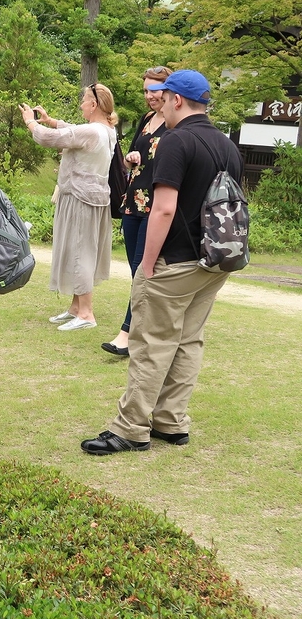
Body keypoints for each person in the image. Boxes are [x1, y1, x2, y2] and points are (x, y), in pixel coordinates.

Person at [81, 69, 243, 455]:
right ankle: (171, 422)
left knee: (152, 342)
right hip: (215, 260)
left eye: (163, 96)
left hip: (175, 260)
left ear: (177, 100)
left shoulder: (175, 142)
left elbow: (164, 209)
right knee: (188, 341)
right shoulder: (228, 146)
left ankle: (131, 428)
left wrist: (147, 265)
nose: (159, 103)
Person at [20, 83, 116, 331]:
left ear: (93, 105)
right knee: (82, 251)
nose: (81, 105)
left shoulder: (92, 131)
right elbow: (73, 131)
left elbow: (50, 139)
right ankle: (76, 307)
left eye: (84, 100)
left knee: (81, 253)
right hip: (94, 197)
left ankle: (86, 313)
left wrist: (32, 122)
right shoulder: (106, 130)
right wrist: (51, 120)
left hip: (80, 198)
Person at [102, 66, 172, 357]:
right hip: (133, 202)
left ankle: (127, 334)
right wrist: (132, 160)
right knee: (136, 272)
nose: (148, 96)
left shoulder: (178, 124)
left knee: (144, 271)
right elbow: (134, 157)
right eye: (145, 90)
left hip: (157, 205)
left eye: (153, 90)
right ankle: (152, 328)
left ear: (170, 91)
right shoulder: (146, 119)